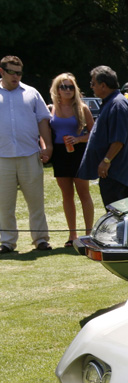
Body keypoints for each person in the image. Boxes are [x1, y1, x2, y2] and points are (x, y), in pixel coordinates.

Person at [0, 55, 53, 253]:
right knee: (4, 204)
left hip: (30, 154)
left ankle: (40, 239)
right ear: (2, 72)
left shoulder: (31, 93)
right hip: (2, 157)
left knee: (36, 201)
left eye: (19, 73)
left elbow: (43, 120)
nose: (16, 76)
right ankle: (7, 242)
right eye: (11, 72)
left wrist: (48, 145)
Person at [78, 65, 128, 208]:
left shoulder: (117, 104)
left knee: (117, 216)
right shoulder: (111, 102)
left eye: (93, 83)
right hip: (112, 173)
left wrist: (106, 160)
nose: (92, 87)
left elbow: (119, 139)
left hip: (117, 174)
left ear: (103, 85)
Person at [48, 72, 94, 248]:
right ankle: (72, 234)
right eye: (63, 87)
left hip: (79, 151)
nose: (67, 90)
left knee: (84, 193)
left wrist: (78, 139)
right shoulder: (52, 108)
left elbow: (93, 133)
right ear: (57, 90)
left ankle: (89, 233)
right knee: (66, 195)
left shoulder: (82, 108)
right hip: (60, 153)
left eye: (70, 87)